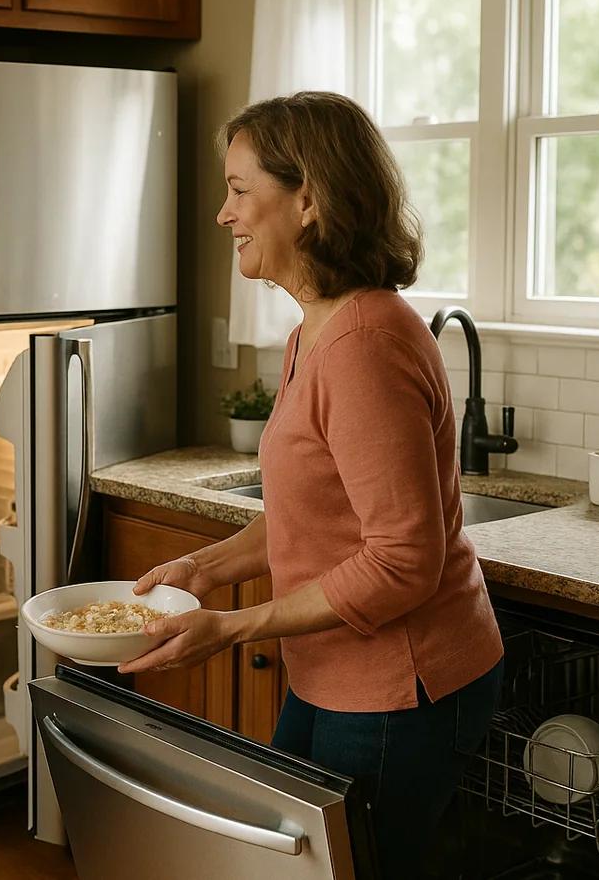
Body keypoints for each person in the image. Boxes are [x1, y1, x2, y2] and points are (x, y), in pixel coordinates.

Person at [118, 91, 503, 879]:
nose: (223, 214)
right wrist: (206, 570)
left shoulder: (364, 344)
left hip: (401, 685)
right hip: (333, 670)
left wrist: (232, 628)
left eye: (238, 189)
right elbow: (309, 514)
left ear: (310, 198)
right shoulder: (313, 330)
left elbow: (400, 560)